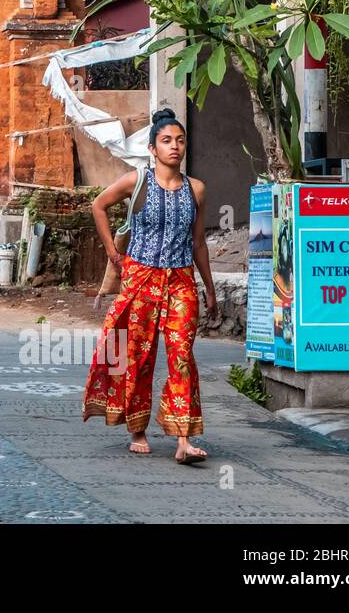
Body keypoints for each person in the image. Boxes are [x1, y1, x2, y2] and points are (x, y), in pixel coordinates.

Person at [82, 108, 218, 465]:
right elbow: (98, 206)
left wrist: (210, 287)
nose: (174, 147)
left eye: (180, 140)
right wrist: (114, 253)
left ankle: (183, 438)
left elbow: (199, 241)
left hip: (181, 280)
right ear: (152, 148)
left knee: (182, 355)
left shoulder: (197, 189)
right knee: (138, 356)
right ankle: (137, 427)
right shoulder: (136, 181)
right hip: (141, 278)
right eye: (166, 141)